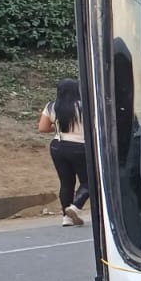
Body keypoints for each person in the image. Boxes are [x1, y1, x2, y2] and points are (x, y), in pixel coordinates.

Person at [37, 79, 91, 227]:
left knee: (66, 183)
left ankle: (66, 218)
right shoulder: (85, 106)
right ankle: (75, 207)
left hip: (57, 146)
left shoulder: (52, 106)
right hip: (80, 146)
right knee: (89, 181)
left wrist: (58, 129)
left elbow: (42, 128)